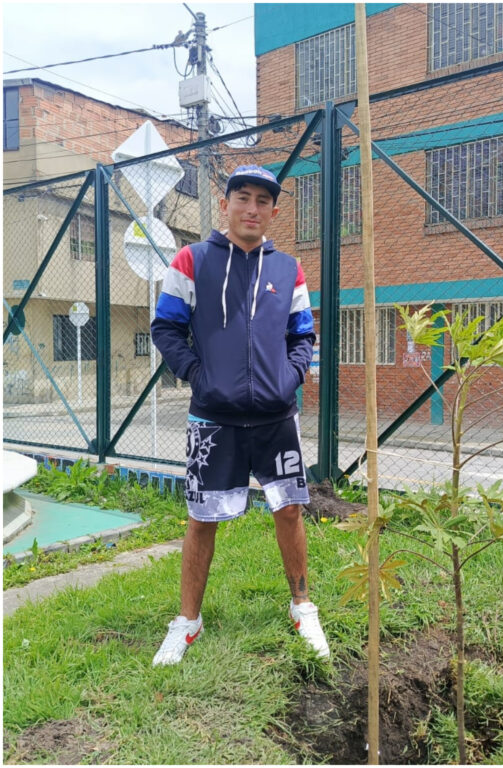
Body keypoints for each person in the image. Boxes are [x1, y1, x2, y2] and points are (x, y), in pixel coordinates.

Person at [150, 164, 326, 666]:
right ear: (225, 203)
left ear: (273, 211)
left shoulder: (288, 268)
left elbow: (303, 334)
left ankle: (301, 606)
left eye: (263, 201)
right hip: (213, 419)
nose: (252, 209)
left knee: (289, 511)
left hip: (277, 417)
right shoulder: (192, 260)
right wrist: (199, 377)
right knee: (202, 518)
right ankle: (188, 621)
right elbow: (166, 328)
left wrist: (289, 378)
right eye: (242, 198)